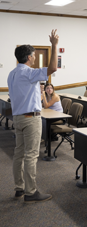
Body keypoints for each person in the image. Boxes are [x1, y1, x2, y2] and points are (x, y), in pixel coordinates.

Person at [7, 29, 59, 203]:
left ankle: (19, 188)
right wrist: (54, 44)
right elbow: (53, 68)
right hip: (31, 119)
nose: (35, 58)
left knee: (19, 154)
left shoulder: (12, 74)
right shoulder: (29, 73)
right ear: (29, 57)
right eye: (34, 56)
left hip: (18, 118)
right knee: (31, 155)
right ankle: (31, 192)